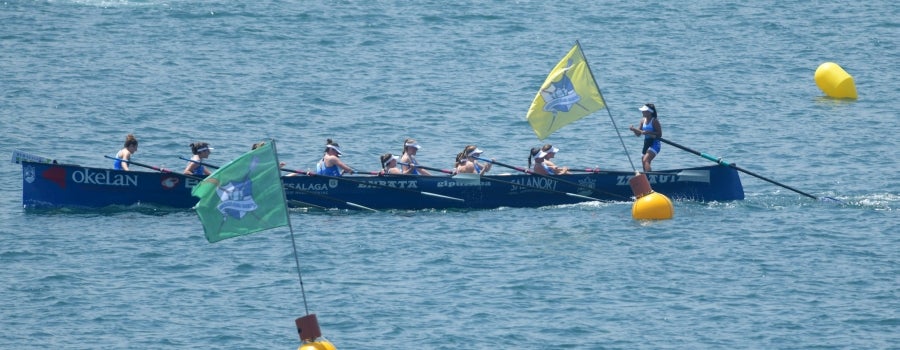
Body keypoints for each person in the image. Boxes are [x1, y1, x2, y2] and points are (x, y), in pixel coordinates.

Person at [629, 103, 662, 172]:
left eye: (644, 111)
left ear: (649, 112)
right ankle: (646, 178)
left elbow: (660, 134)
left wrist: (649, 132)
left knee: (646, 160)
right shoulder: (642, 121)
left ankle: (650, 177)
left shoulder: (654, 121)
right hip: (646, 144)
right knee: (643, 162)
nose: (642, 112)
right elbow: (638, 134)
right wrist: (633, 129)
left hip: (655, 144)